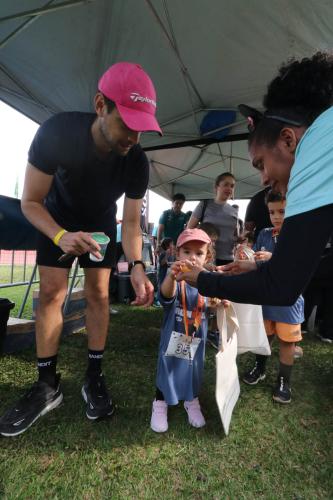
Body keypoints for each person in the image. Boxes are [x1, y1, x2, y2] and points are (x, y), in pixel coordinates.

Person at [0, 62, 162, 437]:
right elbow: (29, 202)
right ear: (101, 105)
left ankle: (94, 375)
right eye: (128, 125)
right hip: (53, 217)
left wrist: (137, 263)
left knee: (99, 296)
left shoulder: (137, 160)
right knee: (52, 294)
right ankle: (47, 385)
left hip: (102, 223)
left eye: (142, 129)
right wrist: (60, 236)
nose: (134, 139)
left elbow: (133, 222)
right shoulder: (57, 132)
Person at [177, 52, 333, 313]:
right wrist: (264, 266)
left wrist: (203, 280)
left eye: (261, 163)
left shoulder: (317, 145)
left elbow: (281, 287)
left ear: (288, 140)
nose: (263, 179)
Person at [243, 191, 304, 404]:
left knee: (287, 342)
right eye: (271, 212)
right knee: (265, 336)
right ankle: (259, 368)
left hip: (289, 300)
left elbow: (299, 268)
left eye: (282, 211)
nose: (276, 216)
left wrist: (273, 259)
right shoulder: (264, 234)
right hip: (266, 297)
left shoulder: (298, 234)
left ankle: (283, 381)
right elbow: (258, 264)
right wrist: (249, 258)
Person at [150, 229, 212, 433]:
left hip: (196, 339)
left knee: (193, 370)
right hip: (173, 337)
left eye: (199, 253)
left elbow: (215, 302)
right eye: (187, 251)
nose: (192, 257)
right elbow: (165, 296)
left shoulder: (209, 281)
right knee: (168, 368)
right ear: (177, 254)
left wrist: (223, 302)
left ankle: (191, 401)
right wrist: (171, 276)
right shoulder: (175, 279)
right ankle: (160, 403)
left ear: (207, 257)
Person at [187, 173, 239, 265]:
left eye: (232, 186)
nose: (229, 188)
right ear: (216, 187)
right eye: (226, 184)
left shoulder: (234, 211)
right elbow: (189, 231)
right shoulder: (204, 205)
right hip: (207, 258)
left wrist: (240, 239)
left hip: (229, 258)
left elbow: (235, 235)